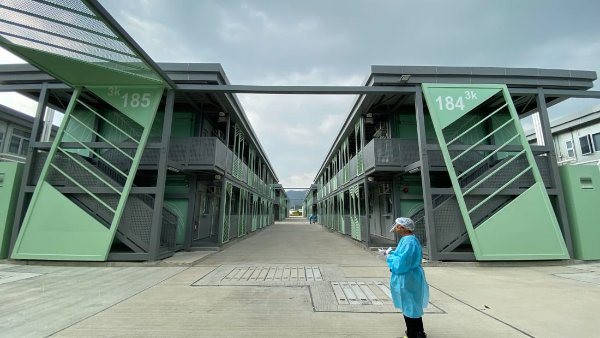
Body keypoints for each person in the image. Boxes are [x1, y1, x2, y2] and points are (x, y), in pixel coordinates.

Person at [386, 217, 429, 338]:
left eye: (398, 225)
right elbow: (402, 256)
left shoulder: (408, 241)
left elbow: (402, 264)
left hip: (407, 277)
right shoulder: (408, 240)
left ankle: (412, 333)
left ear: (404, 228)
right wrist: (392, 254)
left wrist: (389, 258)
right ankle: (419, 332)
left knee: (408, 304)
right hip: (410, 276)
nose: (396, 228)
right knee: (412, 304)